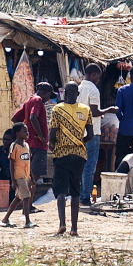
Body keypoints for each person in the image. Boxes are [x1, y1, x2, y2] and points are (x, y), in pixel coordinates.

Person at [49, 81, 93, 237]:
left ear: (64, 93)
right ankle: (74, 228)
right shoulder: (86, 110)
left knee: (60, 190)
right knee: (75, 191)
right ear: (78, 95)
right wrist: (79, 141)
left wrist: (52, 145)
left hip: (62, 155)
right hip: (79, 155)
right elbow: (91, 135)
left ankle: (62, 224)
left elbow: (52, 134)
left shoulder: (57, 109)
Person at [77, 63, 117, 205]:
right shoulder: (93, 90)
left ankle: (80, 195)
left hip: (79, 131)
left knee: (81, 165)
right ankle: (85, 197)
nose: (99, 80)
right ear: (93, 75)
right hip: (92, 132)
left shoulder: (79, 88)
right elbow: (94, 112)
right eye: (98, 77)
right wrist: (109, 110)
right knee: (90, 166)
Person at [12, 81, 51, 200]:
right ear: (45, 93)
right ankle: (27, 203)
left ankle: (25, 203)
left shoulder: (29, 101)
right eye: (49, 95)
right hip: (38, 145)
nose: (48, 99)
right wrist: (41, 136)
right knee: (34, 177)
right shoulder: (38, 100)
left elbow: (15, 118)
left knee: (28, 175)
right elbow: (33, 117)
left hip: (29, 144)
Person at [0, 123, 35, 229]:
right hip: (19, 176)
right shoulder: (14, 146)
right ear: (17, 133)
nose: (27, 133)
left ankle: (6, 218)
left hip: (26, 175)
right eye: (24, 131)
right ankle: (27, 221)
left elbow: (28, 162)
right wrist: (13, 180)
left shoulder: (27, 146)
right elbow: (11, 163)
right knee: (26, 197)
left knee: (18, 198)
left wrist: (31, 176)